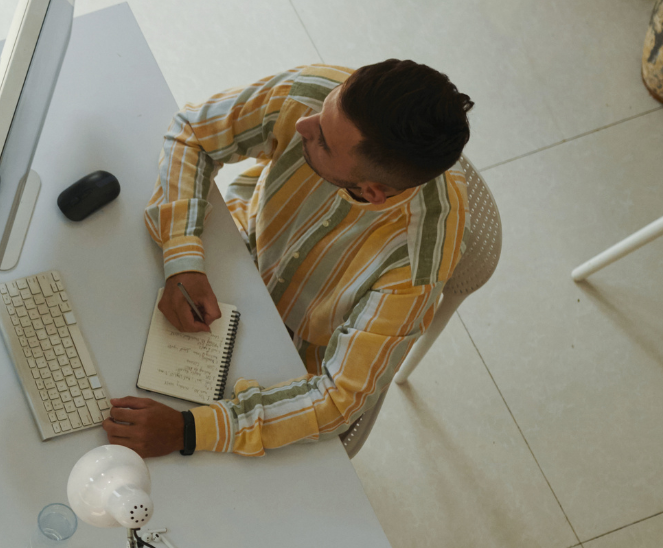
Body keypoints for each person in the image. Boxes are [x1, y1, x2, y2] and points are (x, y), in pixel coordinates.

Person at [107, 60, 473, 458]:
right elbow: (193, 132)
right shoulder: (312, 95)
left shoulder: (417, 262)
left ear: (371, 192)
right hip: (234, 249)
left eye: (324, 143)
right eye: (326, 107)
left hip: (292, 352)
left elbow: (339, 400)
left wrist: (189, 430)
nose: (304, 124)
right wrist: (183, 257)